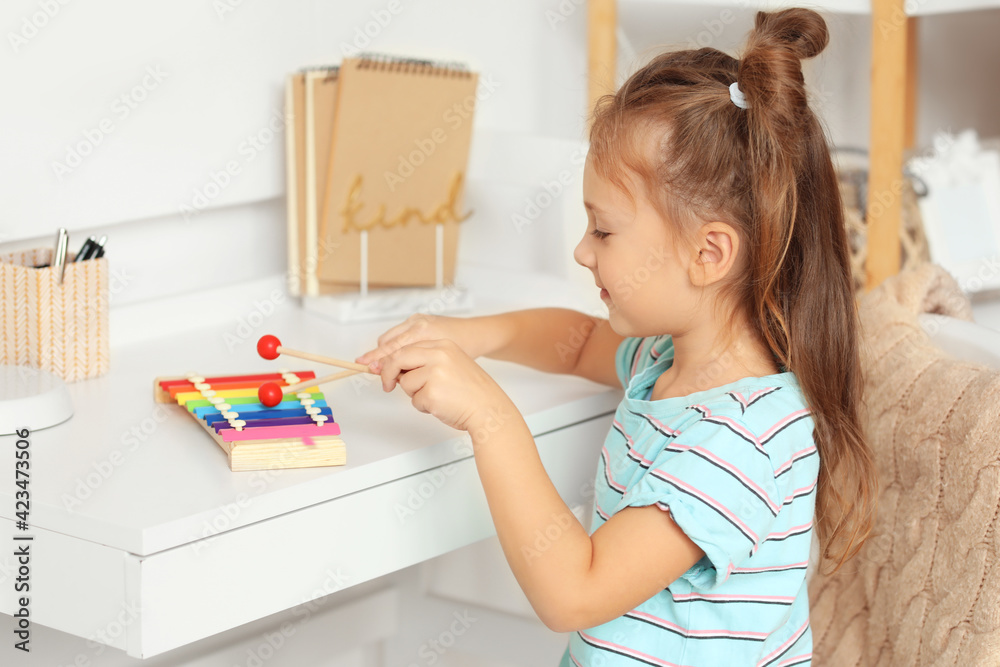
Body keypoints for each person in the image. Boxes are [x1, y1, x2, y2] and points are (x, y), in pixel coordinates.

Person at [356, 7, 877, 665]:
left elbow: (573, 593)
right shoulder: (668, 358)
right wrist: (469, 335)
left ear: (708, 254)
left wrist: (488, 414)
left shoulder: (739, 443)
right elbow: (576, 343)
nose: (582, 251)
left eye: (603, 230)